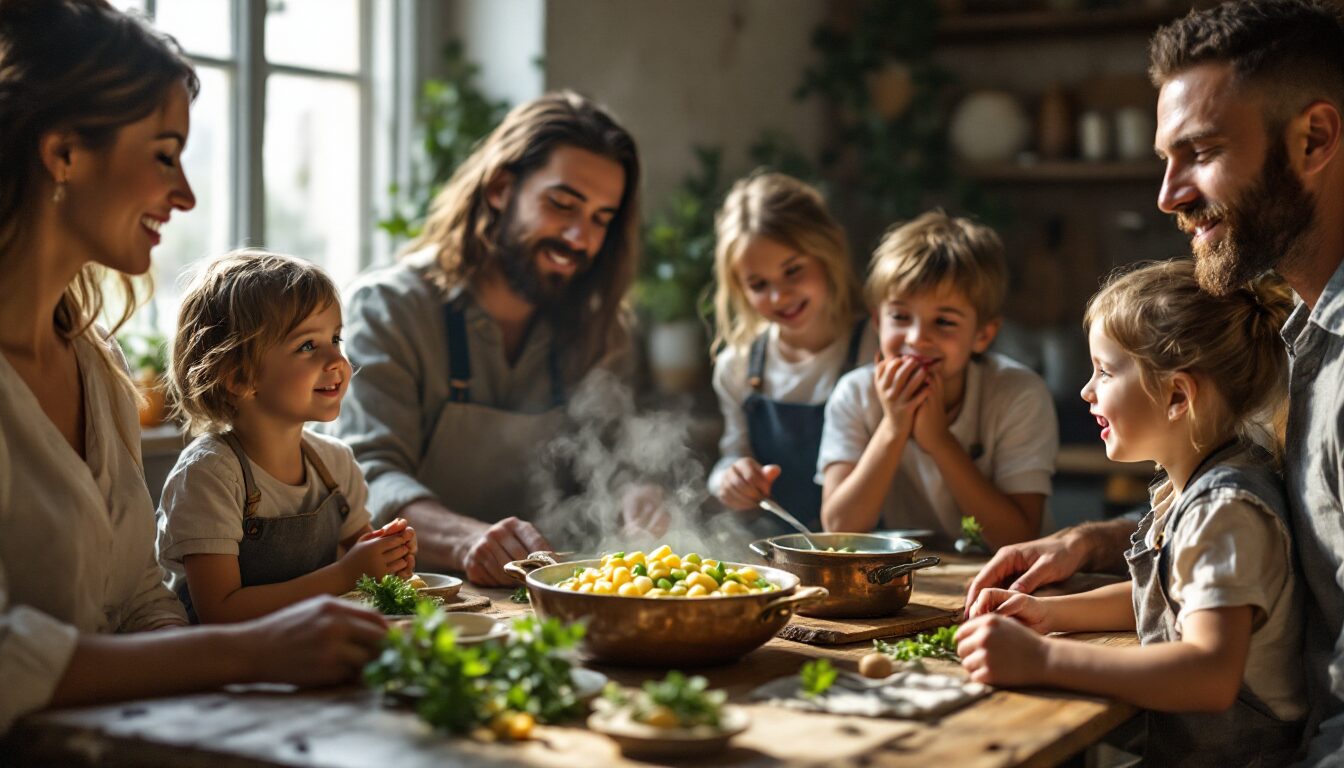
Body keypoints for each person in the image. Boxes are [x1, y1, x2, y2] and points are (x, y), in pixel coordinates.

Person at [963, 2, 1344, 761]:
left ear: (1315, 139)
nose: (1168, 194)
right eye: (1166, 158)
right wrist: (1097, 542)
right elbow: (1275, 561)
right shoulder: (1295, 344)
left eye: (1199, 152)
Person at [0, 0, 385, 734]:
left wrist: (224, 707)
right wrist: (243, 655)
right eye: (163, 154)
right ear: (64, 155)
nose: (187, 195)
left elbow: (141, 600)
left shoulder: (99, 367)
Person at [959, 259, 1304, 766]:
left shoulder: (1226, 511)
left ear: (1177, 396)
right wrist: (1049, 614)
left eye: (1105, 371)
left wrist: (1044, 658)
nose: (1086, 391)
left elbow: (1209, 675)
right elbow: (1174, 596)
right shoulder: (1206, 486)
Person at [332, 91, 645, 586]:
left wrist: (636, 493)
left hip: (544, 598)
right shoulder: (389, 309)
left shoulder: (601, 330)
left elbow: (613, 457)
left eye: (600, 220)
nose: (579, 238)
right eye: (562, 204)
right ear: (500, 187)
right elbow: (365, 476)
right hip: (419, 597)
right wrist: (465, 540)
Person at [157, 251, 418, 623]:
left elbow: (367, 564)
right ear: (238, 377)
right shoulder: (209, 475)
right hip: (218, 664)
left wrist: (391, 554)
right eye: (307, 346)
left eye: (336, 339)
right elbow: (220, 611)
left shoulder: (335, 463)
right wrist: (345, 573)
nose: (337, 362)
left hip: (303, 651)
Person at [817, 211, 1057, 549]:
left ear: (983, 335)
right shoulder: (854, 394)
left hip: (1012, 581)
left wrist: (939, 441)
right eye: (900, 316)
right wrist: (893, 428)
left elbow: (1019, 537)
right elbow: (839, 531)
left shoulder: (1018, 394)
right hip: (917, 576)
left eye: (944, 321)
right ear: (877, 321)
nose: (916, 338)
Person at [706, 172, 876, 533]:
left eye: (793, 270)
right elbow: (733, 453)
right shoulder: (735, 367)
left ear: (827, 252)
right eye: (759, 284)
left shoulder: (875, 348)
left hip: (868, 551)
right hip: (775, 554)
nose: (779, 296)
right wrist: (730, 477)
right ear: (739, 287)